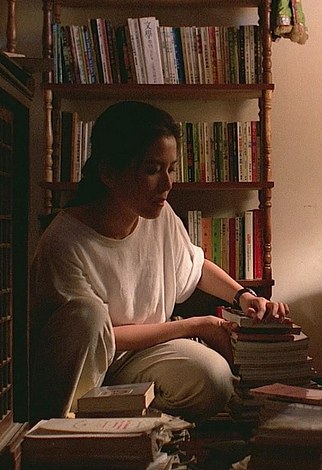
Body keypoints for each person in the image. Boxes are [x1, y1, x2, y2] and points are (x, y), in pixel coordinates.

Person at [29, 101, 289, 423]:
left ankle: (131, 417)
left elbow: (195, 267)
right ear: (108, 173)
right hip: (82, 370)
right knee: (89, 314)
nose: (167, 184)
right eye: (152, 170)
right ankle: (79, 426)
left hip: (141, 357)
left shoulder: (160, 216)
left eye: (171, 169)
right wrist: (197, 325)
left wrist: (244, 297)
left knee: (215, 380)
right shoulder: (65, 240)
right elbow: (99, 335)